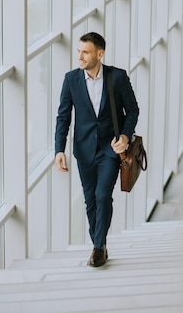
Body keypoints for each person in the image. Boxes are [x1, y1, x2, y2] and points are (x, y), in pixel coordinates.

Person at [55, 32, 140, 267]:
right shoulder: (71, 79)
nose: (80, 56)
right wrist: (59, 149)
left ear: (99, 54)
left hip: (110, 149)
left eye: (85, 52)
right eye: (79, 51)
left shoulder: (117, 77)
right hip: (84, 151)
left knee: (103, 196)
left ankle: (98, 246)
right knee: (90, 201)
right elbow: (63, 117)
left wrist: (124, 136)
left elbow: (132, 110)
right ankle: (99, 243)